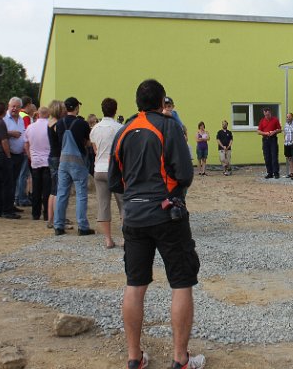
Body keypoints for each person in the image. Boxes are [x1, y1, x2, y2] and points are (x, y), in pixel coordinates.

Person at [109, 79, 204, 369]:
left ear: (137, 102)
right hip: (166, 213)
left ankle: (134, 357)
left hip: (134, 216)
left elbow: (115, 181)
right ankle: (180, 358)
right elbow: (185, 173)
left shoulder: (123, 131)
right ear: (162, 102)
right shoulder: (168, 126)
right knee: (181, 282)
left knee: (135, 284)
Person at [53, 97, 94, 236]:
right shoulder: (82, 123)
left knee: (62, 194)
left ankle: (58, 225)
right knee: (81, 194)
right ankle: (82, 226)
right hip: (78, 162)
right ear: (76, 108)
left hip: (63, 161)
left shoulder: (59, 123)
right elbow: (87, 142)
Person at [90, 98, 123, 249]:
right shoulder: (119, 128)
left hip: (99, 168)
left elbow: (95, 149)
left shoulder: (95, 128)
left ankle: (108, 239)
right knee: (123, 204)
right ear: (115, 110)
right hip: (114, 169)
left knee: (103, 205)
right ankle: (126, 237)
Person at [0, 101, 20, 219]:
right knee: (7, 184)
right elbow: (4, 141)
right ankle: (7, 210)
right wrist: (8, 155)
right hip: (1, 155)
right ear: (4, 111)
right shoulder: (1, 123)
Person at [25, 106, 52, 222]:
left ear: (38, 114)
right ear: (49, 114)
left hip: (35, 161)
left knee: (36, 188)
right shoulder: (50, 126)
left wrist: (29, 155)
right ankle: (47, 213)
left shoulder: (30, 127)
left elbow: (26, 143)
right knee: (47, 189)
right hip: (48, 160)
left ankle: (35, 213)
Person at [5, 97, 30, 209]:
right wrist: (11, 133)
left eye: (17, 107)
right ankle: (8, 205)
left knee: (15, 180)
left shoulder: (21, 119)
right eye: (13, 106)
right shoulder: (5, 119)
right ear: (9, 106)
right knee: (9, 181)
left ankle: (13, 203)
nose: (14, 109)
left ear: (20, 108)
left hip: (20, 154)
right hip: (8, 154)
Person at [46, 100, 67, 228]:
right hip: (58, 157)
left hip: (52, 156)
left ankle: (51, 218)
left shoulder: (50, 122)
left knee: (53, 189)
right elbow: (62, 142)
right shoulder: (57, 125)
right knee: (58, 189)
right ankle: (57, 219)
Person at [256, 107, 281, 179]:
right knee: (267, 157)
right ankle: (269, 173)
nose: (267, 116)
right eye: (265, 115)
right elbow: (258, 131)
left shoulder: (275, 120)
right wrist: (265, 133)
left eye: (268, 114)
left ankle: (276, 173)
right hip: (265, 139)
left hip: (273, 139)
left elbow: (279, 129)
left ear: (270, 113)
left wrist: (274, 131)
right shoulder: (262, 120)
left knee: (274, 156)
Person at [283, 113, 293, 178]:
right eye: (287, 117)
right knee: (289, 158)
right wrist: (284, 140)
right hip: (287, 143)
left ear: (292, 117)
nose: (288, 118)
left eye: (289, 116)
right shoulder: (285, 124)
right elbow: (285, 133)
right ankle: (292, 172)